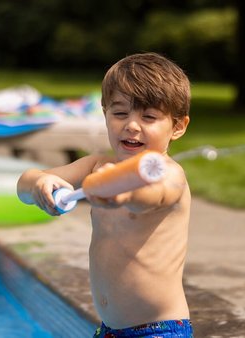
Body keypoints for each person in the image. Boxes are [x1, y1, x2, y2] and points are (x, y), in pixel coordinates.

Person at [17, 52, 193, 337]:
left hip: (159, 330)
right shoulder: (97, 165)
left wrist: (122, 196)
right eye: (120, 113)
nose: (132, 125)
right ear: (105, 113)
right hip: (110, 329)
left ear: (178, 126)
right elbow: (23, 184)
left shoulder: (169, 173)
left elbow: (153, 195)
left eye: (148, 117)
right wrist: (40, 182)